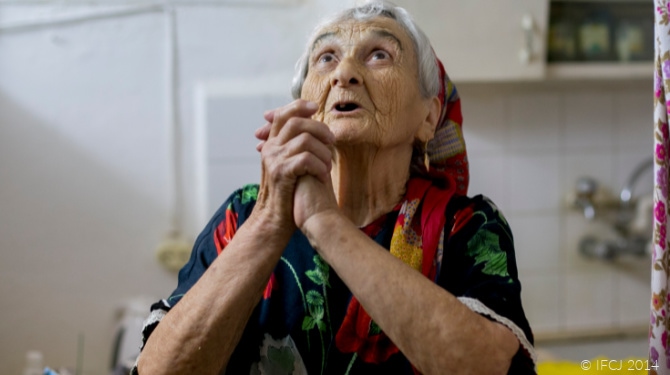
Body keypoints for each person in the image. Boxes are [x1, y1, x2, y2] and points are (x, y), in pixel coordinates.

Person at [133, 1, 535, 374]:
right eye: (326, 58)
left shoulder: (465, 224)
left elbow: (492, 367)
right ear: (303, 100)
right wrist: (272, 220)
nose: (344, 73)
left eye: (380, 54)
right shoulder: (244, 215)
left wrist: (326, 224)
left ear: (428, 117)